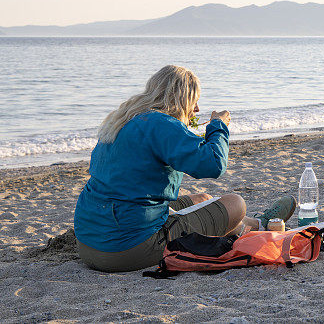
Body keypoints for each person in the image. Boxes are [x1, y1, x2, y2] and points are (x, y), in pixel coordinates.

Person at [74, 65, 296, 272]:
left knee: (203, 198)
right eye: (194, 101)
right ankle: (261, 225)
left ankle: (259, 224)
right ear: (180, 99)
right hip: (128, 250)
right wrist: (218, 127)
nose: (197, 109)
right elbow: (213, 164)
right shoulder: (161, 124)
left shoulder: (122, 120)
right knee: (235, 203)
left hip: (89, 243)